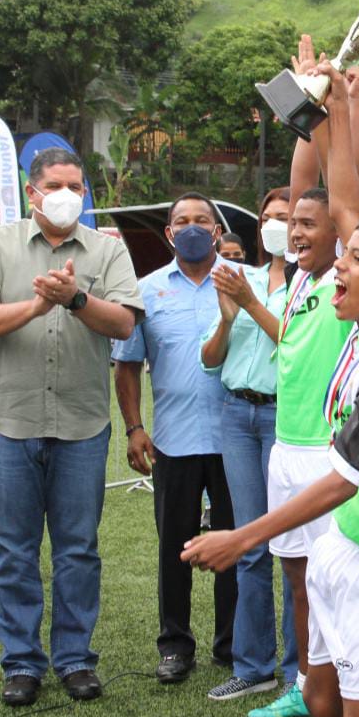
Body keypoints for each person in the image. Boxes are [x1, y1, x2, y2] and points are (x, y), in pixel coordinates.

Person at [182, 215, 359, 717]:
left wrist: (241, 538)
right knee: (322, 699)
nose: (341, 264)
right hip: (340, 544)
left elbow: (346, 479)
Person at [0, 147, 141, 706]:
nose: (67, 194)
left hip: (82, 426)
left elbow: (125, 321)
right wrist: (35, 309)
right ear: (32, 191)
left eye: (77, 186)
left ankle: (75, 659)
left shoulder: (107, 250)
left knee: (78, 550)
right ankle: (22, 664)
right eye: (56, 184)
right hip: (8, 423)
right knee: (13, 551)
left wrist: (76, 299)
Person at [113, 192, 236, 685]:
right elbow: (126, 367)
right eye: (181, 220)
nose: (191, 227)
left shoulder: (242, 283)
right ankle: (174, 645)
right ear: (168, 234)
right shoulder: (145, 290)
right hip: (173, 440)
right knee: (174, 548)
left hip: (237, 441)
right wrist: (134, 427)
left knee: (237, 545)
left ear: (216, 230)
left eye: (201, 220)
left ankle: (232, 644)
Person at [200, 186, 301, 706]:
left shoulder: (311, 285)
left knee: (290, 549)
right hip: (237, 414)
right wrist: (227, 315)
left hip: (285, 416)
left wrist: (250, 304)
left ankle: (296, 672)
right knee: (248, 545)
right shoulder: (244, 277)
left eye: (287, 217)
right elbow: (210, 359)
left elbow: (298, 346)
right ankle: (254, 665)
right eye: (270, 217)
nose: (277, 225)